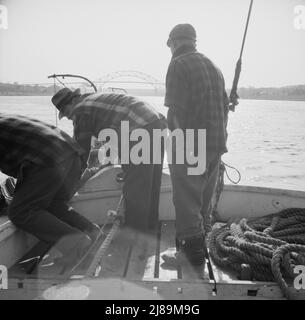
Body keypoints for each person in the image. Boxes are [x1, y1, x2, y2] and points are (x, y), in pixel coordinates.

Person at [52, 89, 166, 234]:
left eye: (65, 111)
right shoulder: (94, 102)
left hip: (138, 128)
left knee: (135, 187)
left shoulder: (81, 110)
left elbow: (80, 153)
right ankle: (150, 229)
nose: (68, 117)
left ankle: (134, 235)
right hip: (156, 123)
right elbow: (105, 147)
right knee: (151, 184)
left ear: (73, 101)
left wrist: (68, 185)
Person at [163, 24, 228, 266]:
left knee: (186, 199)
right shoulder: (214, 66)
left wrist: (183, 147)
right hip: (216, 143)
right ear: (194, 40)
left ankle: (192, 256)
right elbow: (223, 106)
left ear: (173, 41)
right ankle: (201, 244)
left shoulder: (178, 64)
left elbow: (176, 113)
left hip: (192, 143)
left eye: (169, 44)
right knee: (202, 198)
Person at [0, 113, 100, 266]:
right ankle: (92, 231)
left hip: (46, 159)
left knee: (21, 211)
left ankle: (77, 244)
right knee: (53, 203)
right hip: (71, 152)